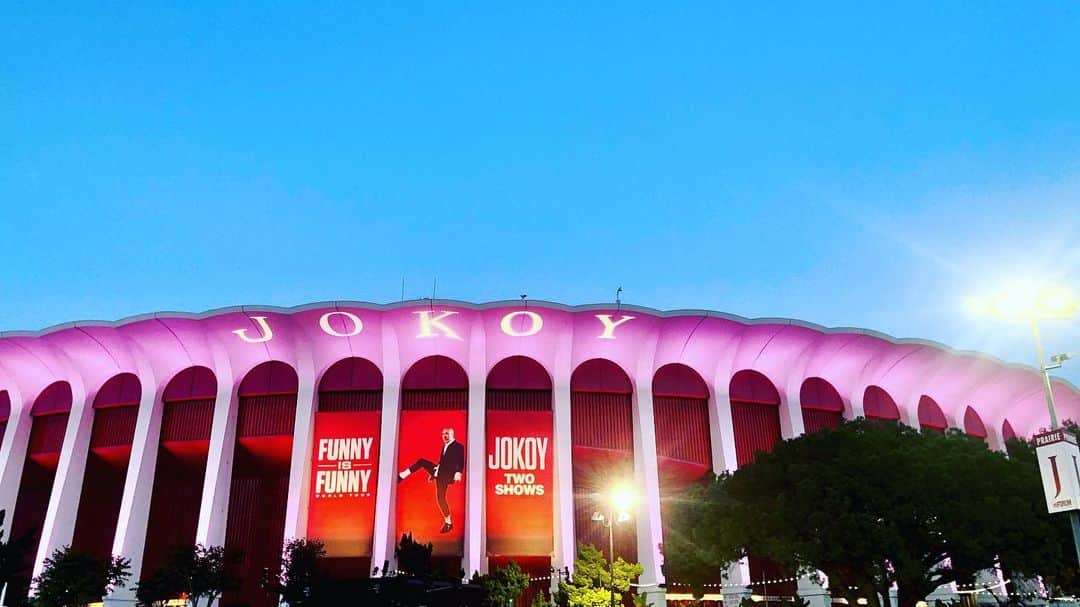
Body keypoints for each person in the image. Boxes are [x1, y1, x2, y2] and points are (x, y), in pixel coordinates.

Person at [398, 427, 465, 533]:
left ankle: (448, 523)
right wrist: (434, 473)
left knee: (441, 498)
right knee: (422, 462)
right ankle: (401, 476)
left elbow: (461, 461)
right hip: (439, 472)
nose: (445, 436)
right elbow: (442, 462)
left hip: (446, 475)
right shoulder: (445, 446)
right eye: (443, 434)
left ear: (452, 434)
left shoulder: (458, 446)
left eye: (447, 433)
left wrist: (458, 473)